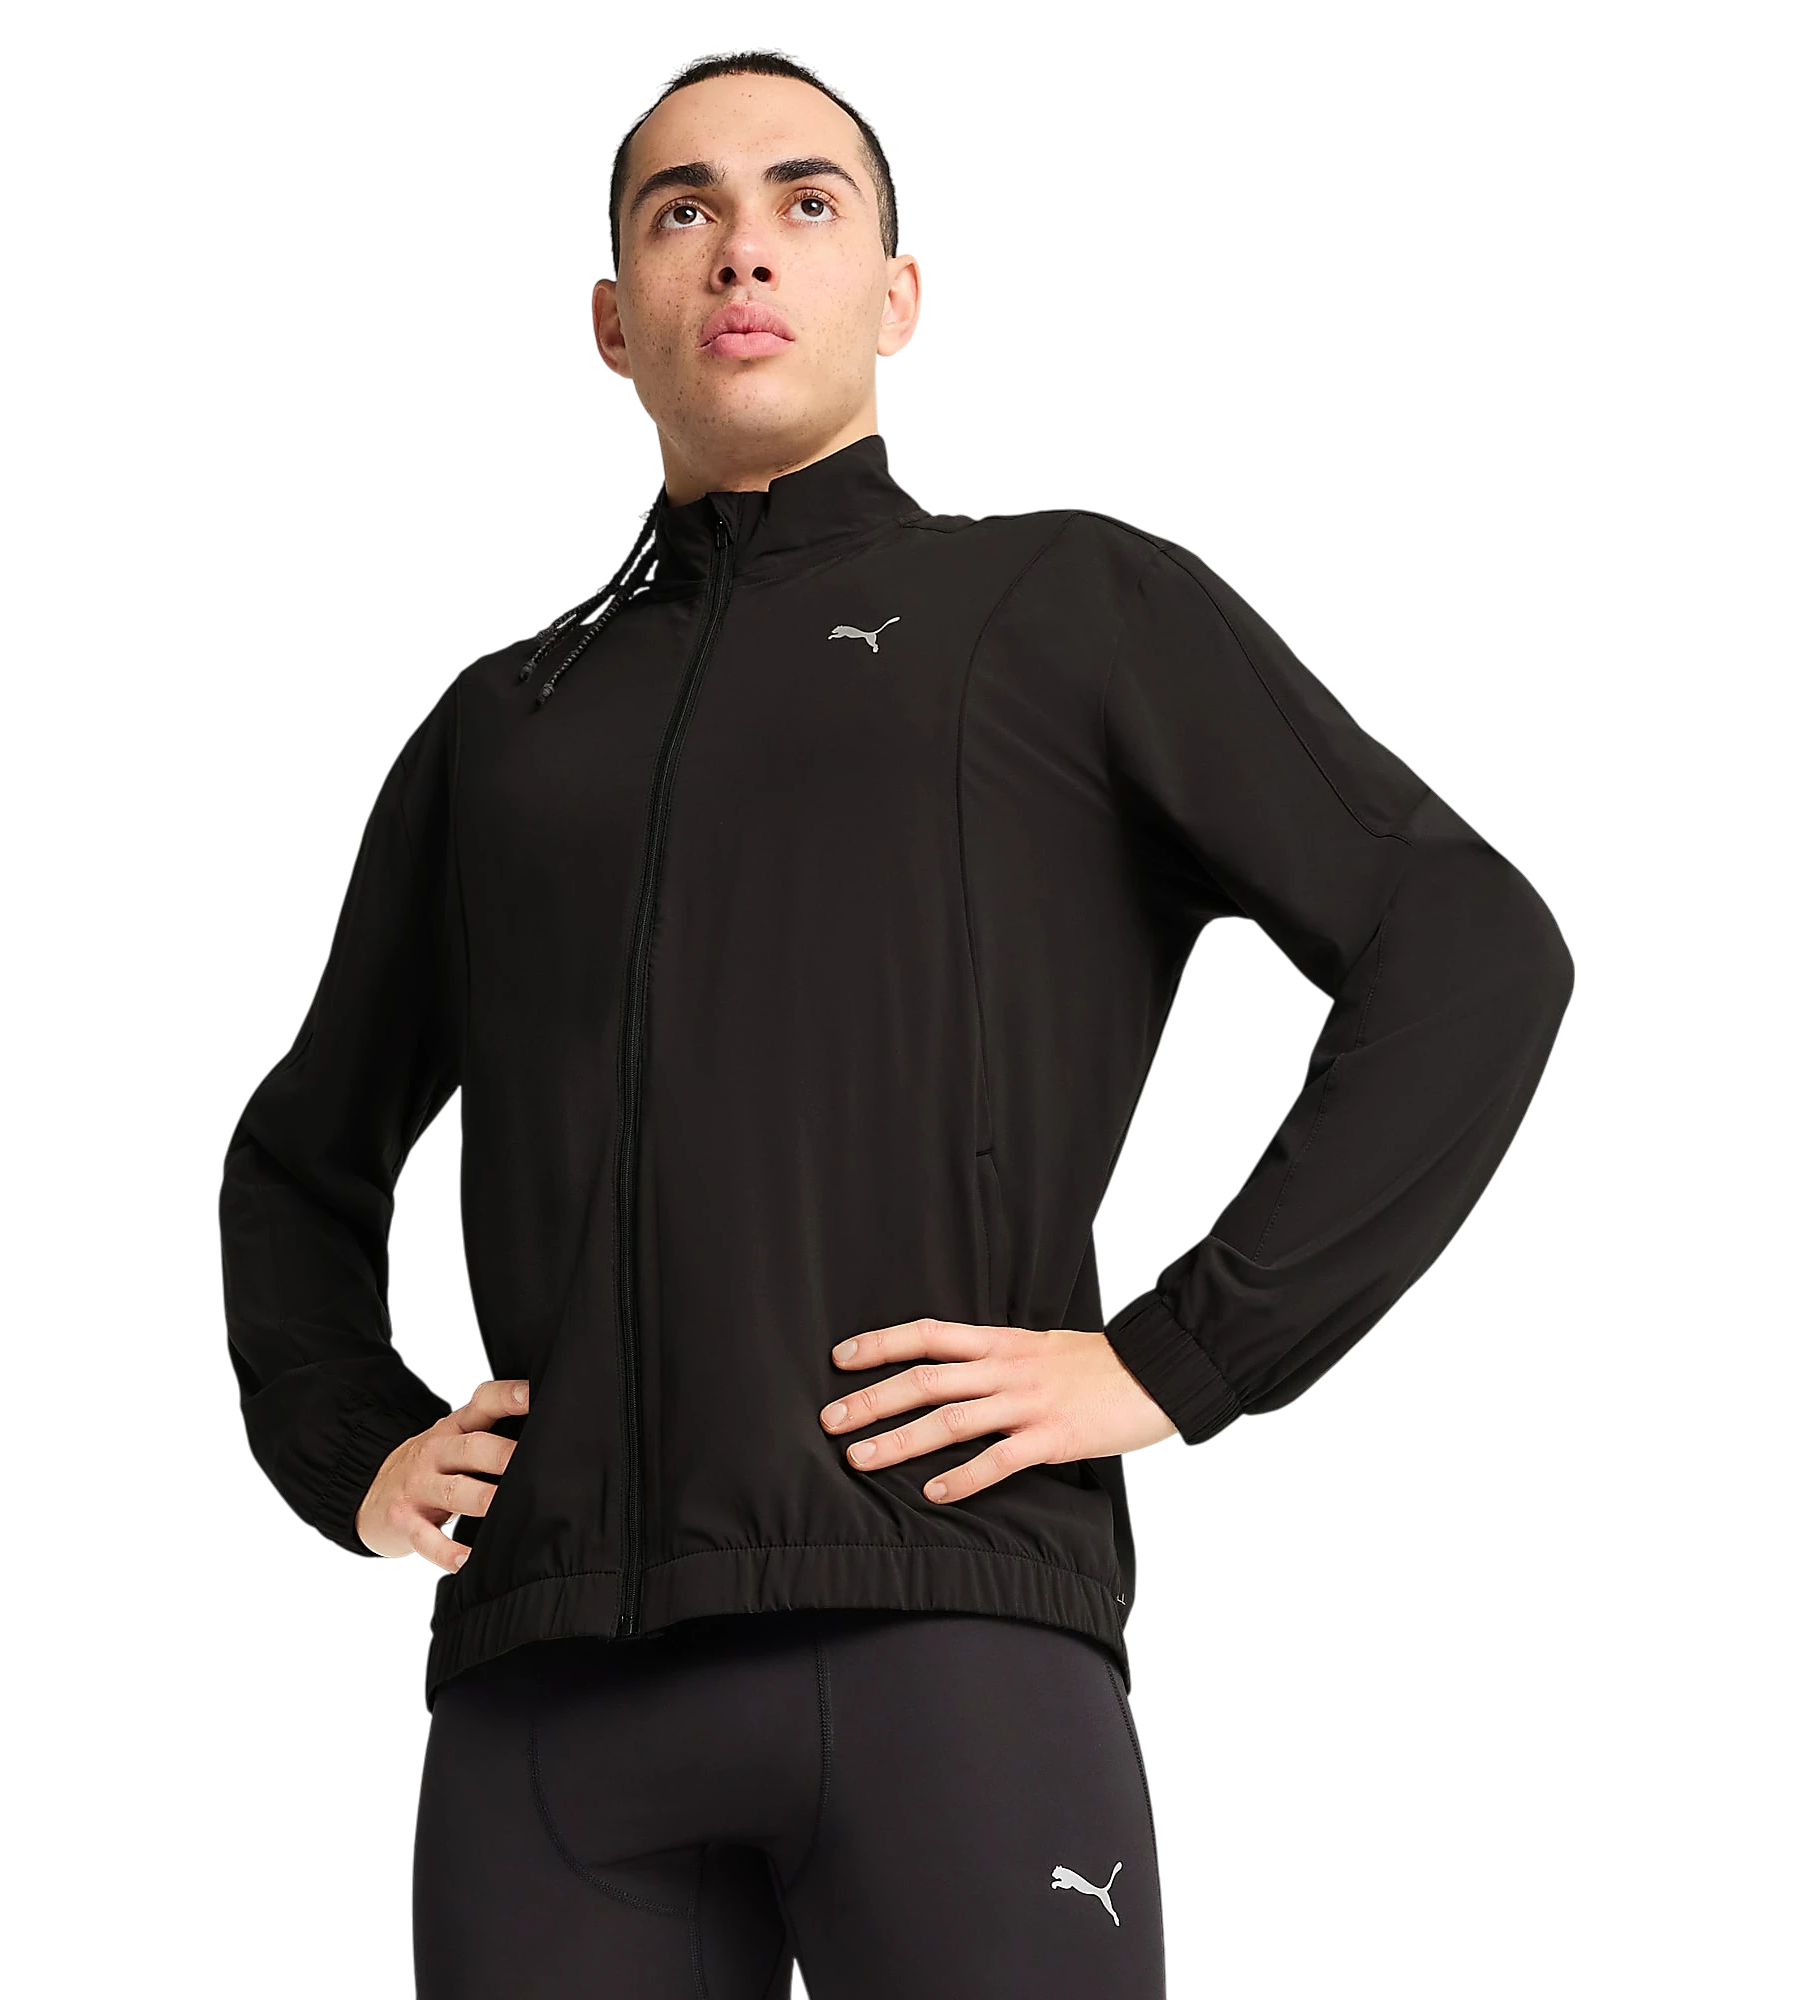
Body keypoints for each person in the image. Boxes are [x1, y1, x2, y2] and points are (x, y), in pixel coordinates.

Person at [217, 45, 1575, 2000]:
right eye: (681, 210)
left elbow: (1464, 941)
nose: (740, 247)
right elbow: (298, 1156)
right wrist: (346, 1441)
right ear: (610, 318)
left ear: (901, 296)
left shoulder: (1063, 606)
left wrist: (1181, 1358)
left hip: (948, 1640)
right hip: (540, 1703)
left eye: (805, 200)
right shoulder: (500, 727)